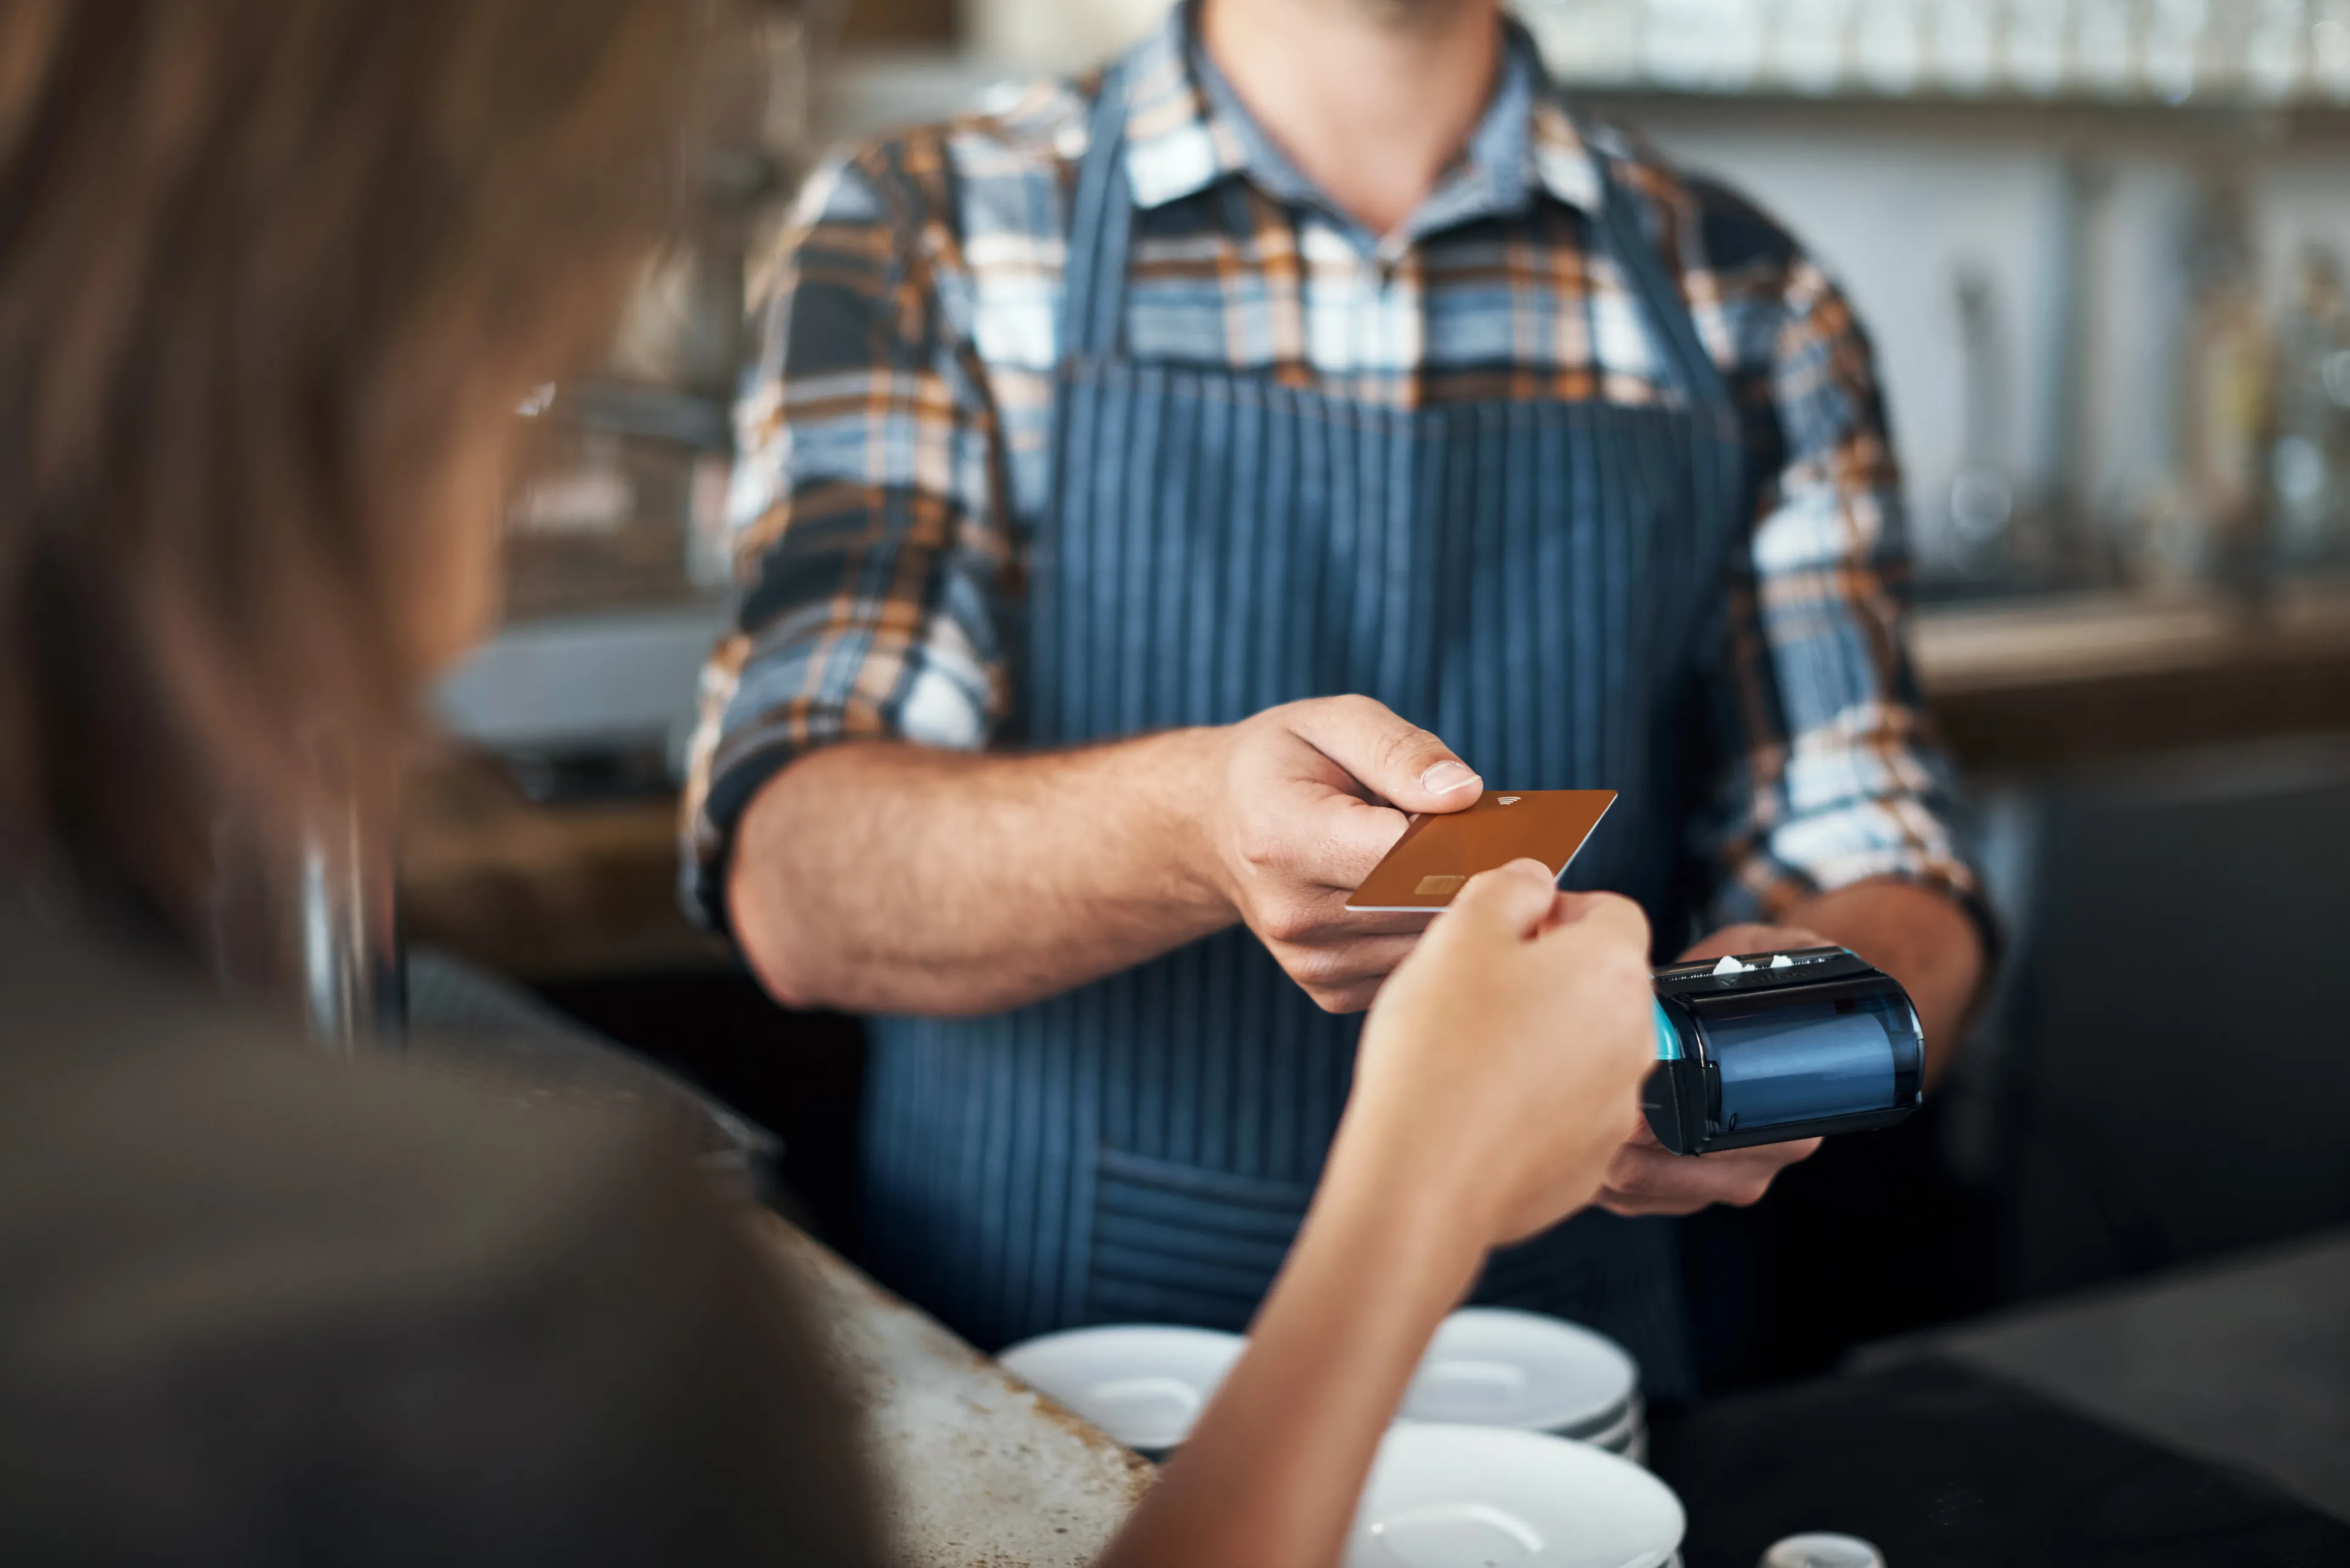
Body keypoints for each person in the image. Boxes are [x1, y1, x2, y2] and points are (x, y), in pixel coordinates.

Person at [0, 1, 1663, 1562]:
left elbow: (1871, 852)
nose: (558, 458)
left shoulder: (1718, 276)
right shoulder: (531, 1301)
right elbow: (789, 863)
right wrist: (1417, 1181)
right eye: (543, 366)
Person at [688, 0, 1992, 1393]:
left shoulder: (1745, 294)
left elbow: (1891, 868)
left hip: (1554, 1400)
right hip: (1040, 1372)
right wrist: (1191, 827)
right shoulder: (926, 232)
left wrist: (1750, 1058)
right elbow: (796, 875)